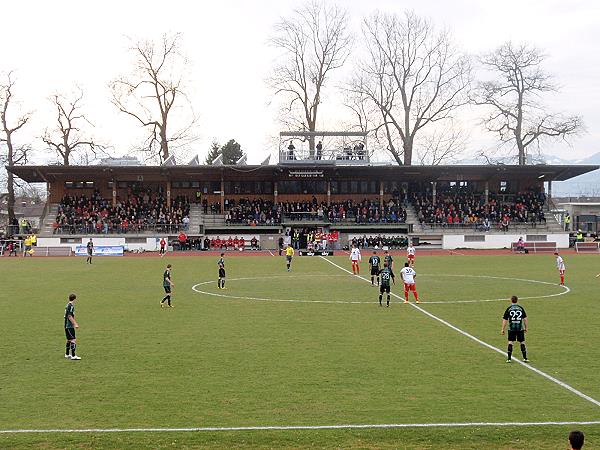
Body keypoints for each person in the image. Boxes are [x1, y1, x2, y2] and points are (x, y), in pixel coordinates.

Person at [501, 295, 529, 363]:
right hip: (520, 328)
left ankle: (509, 359)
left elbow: (505, 319)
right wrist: (526, 328)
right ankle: (525, 358)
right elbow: (525, 319)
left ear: (511, 300)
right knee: (522, 342)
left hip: (511, 328)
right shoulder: (521, 308)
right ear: (517, 300)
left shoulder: (509, 308)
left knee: (510, 342)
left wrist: (503, 329)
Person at [64, 293, 81, 360]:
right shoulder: (71, 306)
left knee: (69, 340)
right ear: (74, 299)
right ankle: (73, 356)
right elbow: (69, 316)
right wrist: (75, 324)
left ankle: (67, 354)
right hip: (69, 326)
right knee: (73, 339)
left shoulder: (67, 305)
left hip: (66, 325)